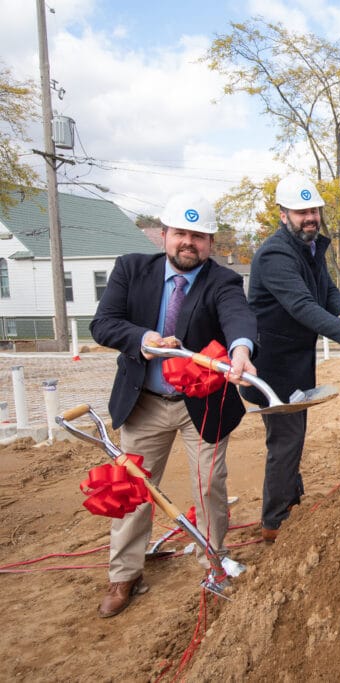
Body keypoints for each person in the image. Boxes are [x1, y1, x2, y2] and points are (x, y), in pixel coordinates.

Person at [89, 193, 257, 618]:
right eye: (181, 233)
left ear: (211, 242)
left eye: (198, 236)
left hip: (199, 404)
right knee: (133, 488)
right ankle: (125, 573)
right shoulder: (131, 269)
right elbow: (104, 323)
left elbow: (238, 316)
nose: (188, 243)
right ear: (164, 235)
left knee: (209, 485)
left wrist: (240, 348)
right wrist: (143, 340)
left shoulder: (223, 281)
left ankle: (214, 563)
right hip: (143, 402)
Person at [244, 174, 340, 544]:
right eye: (302, 211)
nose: (310, 217)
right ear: (283, 213)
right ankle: (275, 521)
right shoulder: (275, 254)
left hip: (296, 361)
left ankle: (292, 501)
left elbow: (325, 290)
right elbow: (301, 305)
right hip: (273, 365)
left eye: (314, 209)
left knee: (293, 435)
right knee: (286, 439)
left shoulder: (310, 247)